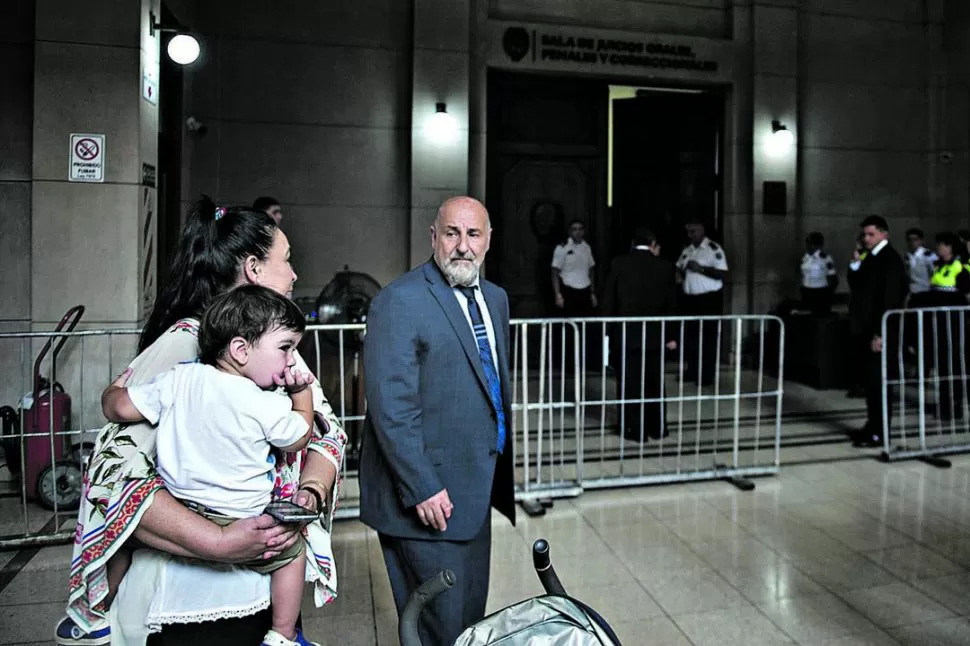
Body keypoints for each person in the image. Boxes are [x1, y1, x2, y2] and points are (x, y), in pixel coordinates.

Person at [57, 197, 346, 646]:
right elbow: (112, 475)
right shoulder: (186, 345)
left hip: (261, 583)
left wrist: (307, 493)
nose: (294, 274)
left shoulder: (271, 343)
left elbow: (325, 430)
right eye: (286, 261)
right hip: (189, 606)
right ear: (253, 268)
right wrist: (217, 541)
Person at [101, 285, 320, 646]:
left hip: (180, 512)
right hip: (239, 518)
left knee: (122, 538)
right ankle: (282, 635)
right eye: (286, 348)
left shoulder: (178, 379)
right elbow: (298, 436)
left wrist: (112, 390)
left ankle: (97, 610)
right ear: (240, 349)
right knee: (292, 554)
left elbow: (120, 408)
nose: (292, 361)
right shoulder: (261, 403)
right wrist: (302, 396)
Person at [359, 196, 515, 645]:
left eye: (473, 234)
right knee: (438, 628)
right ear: (433, 238)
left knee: (469, 623)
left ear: (488, 241)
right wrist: (421, 484)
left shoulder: (496, 299)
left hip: (475, 487)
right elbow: (391, 406)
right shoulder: (399, 301)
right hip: (428, 497)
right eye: (451, 233)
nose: (462, 246)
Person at [602, 227, 678, 441]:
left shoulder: (619, 264)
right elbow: (671, 304)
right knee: (655, 380)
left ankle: (634, 429)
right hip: (655, 334)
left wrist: (606, 332)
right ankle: (658, 426)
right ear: (652, 244)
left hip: (626, 334)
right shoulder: (665, 267)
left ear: (633, 244)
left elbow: (609, 301)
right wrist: (672, 335)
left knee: (629, 382)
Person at [847, 215, 907, 448]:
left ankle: (880, 432)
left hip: (879, 330)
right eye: (864, 235)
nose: (866, 239)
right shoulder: (871, 257)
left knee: (880, 383)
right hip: (865, 328)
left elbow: (890, 299)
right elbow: (858, 283)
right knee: (871, 383)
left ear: (884, 234)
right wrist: (855, 262)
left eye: (871, 234)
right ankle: (872, 425)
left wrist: (880, 333)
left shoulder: (889, 259)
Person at [675, 217, 728, 386]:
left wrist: (701, 269)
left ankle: (707, 375)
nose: (691, 235)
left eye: (693, 231)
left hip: (708, 299)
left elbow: (722, 274)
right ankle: (692, 370)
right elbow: (679, 267)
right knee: (691, 337)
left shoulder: (713, 249)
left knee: (708, 338)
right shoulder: (688, 250)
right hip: (690, 299)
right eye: (688, 232)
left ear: (702, 230)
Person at [923, 232, 970, 422]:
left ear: (951, 247)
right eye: (938, 245)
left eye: (943, 245)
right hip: (939, 324)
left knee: (956, 366)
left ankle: (956, 405)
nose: (939, 248)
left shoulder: (961, 269)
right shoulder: (937, 266)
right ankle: (944, 404)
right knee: (942, 365)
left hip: (956, 325)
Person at [551, 219, 597, 316]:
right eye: (574, 229)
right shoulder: (562, 248)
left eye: (580, 229)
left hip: (585, 291)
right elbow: (555, 271)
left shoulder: (587, 247)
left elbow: (591, 269)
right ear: (570, 231)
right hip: (569, 291)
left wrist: (592, 293)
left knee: (586, 322)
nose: (578, 232)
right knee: (570, 323)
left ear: (583, 231)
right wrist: (557, 294)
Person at [799, 232, 838, 315]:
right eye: (807, 243)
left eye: (809, 243)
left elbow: (833, 277)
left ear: (815, 245)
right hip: (806, 292)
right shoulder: (805, 258)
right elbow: (803, 274)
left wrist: (828, 294)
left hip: (820, 293)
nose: (807, 246)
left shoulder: (825, 258)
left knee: (820, 317)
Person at [904, 227, 937, 307]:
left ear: (921, 241)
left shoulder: (928, 256)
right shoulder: (907, 256)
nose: (912, 242)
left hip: (925, 293)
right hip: (912, 294)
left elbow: (935, 274)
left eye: (915, 239)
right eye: (909, 240)